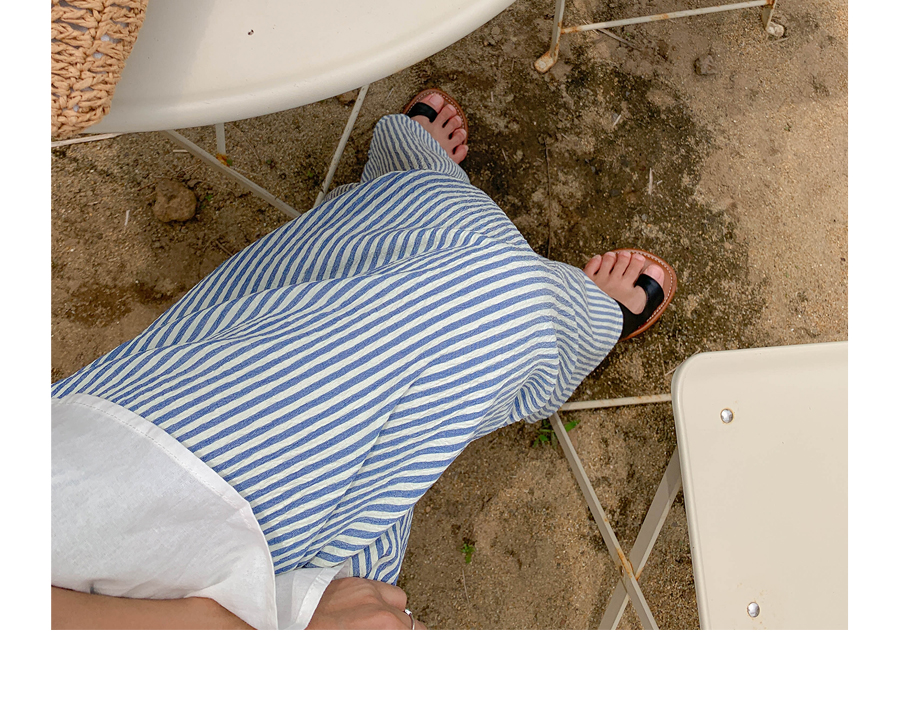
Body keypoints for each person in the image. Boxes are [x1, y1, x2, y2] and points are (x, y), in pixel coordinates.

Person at [51, 90, 676, 630]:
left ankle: (405, 199)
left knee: (290, 308)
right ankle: (561, 314)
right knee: (477, 307)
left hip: (94, 495)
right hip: (211, 551)